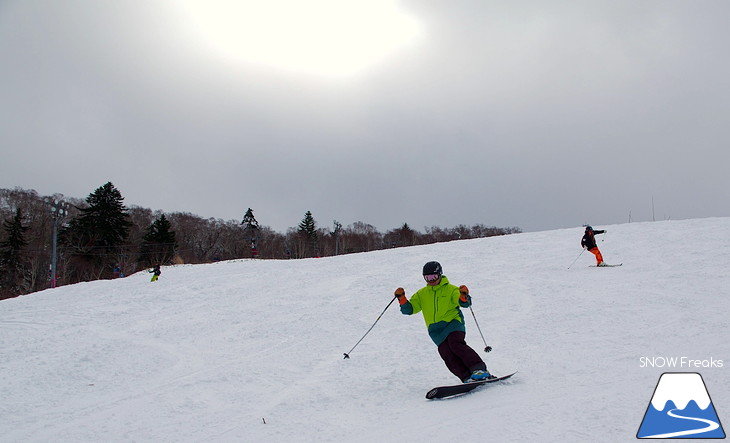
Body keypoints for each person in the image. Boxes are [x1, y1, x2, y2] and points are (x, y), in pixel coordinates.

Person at [395, 261, 493, 383]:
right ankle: (466, 377)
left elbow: (464, 303)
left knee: (455, 344)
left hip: (453, 323)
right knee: (446, 353)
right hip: (435, 330)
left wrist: (463, 297)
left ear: (440, 274)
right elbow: (410, 310)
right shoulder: (421, 294)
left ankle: (479, 370)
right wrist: (402, 299)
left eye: (433, 276)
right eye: (427, 277)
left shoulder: (451, 290)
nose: (431, 280)